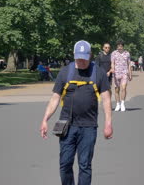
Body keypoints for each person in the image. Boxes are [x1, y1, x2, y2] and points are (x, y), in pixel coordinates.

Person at [40, 40, 113, 185]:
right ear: (74, 55)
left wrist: (108, 124)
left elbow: (106, 100)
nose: (81, 61)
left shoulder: (99, 73)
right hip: (67, 125)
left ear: (90, 55)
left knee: (85, 165)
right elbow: (55, 98)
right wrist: (45, 119)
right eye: (78, 58)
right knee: (65, 164)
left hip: (88, 126)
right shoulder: (65, 72)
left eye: (84, 58)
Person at [111, 40, 132, 112]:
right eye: (118, 46)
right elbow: (112, 63)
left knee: (124, 88)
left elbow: (129, 64)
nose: (119, 47)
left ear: (123, 46)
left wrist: (130, 73)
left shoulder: (127, 53)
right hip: (116, 73)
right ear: (117, 46)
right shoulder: (114, 53)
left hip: (124, 73)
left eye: (121, 46)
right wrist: (113, 69)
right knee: (117, 89)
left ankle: (122, 103)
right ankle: (118, 104)